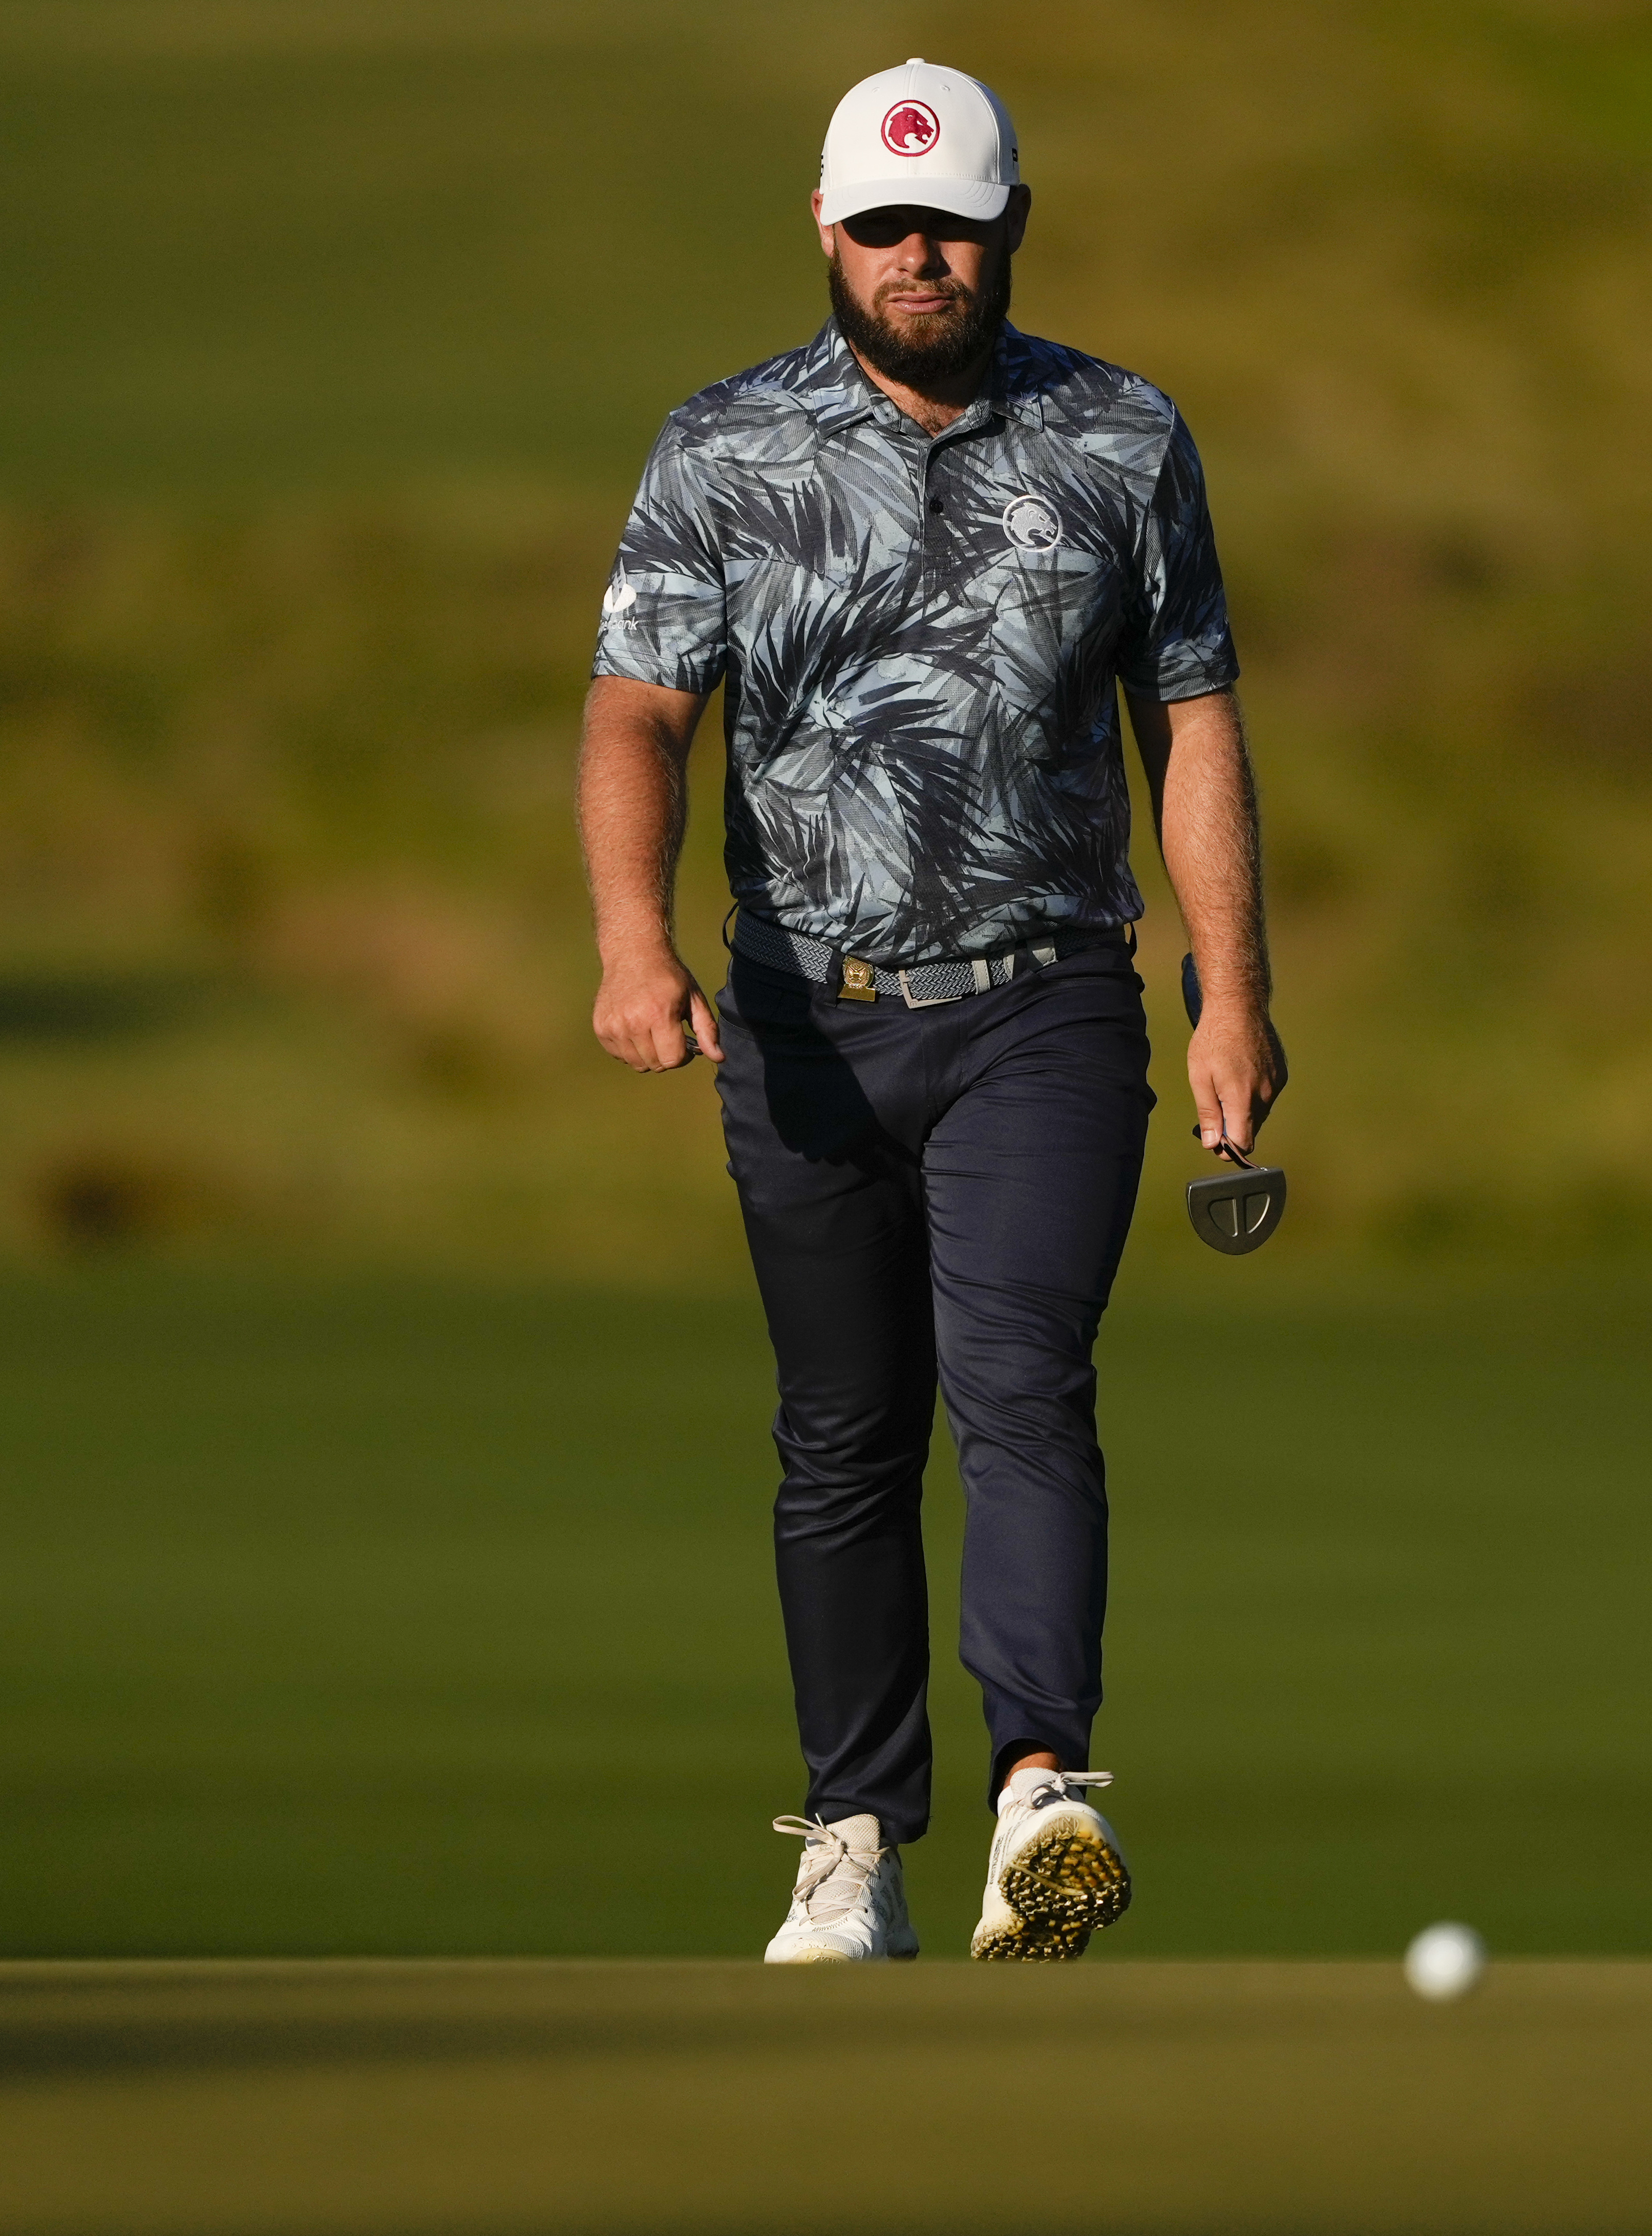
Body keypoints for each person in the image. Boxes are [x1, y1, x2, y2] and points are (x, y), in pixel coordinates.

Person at [575, 57, 1281, 1963]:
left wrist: (1234, 989)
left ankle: (1041, 1792)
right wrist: (634, 945)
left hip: (1046, 999)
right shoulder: (719, 450)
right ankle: (856, 1836)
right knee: (843, 1434)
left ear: (1010, 226)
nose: (918, 258)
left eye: (950, 224)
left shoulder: (1121, 439)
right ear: (826, 228)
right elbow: (640, 710)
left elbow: (1189, 715)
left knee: (1025, 1384)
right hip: (805, 1019)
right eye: (883, 226)